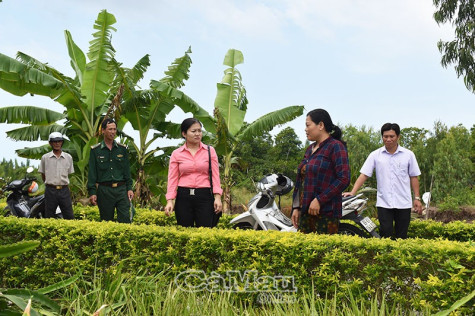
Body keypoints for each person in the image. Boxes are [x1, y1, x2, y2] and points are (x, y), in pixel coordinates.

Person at [343, 123, 423, 239]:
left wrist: (417, 198)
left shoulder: (408, 155)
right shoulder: (375, 155)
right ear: (382, 137)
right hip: (384, 203)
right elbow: (364, 174)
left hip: (403, 203)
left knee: (402, 236)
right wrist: (353, 192)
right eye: (385, 136)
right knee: (386, 235)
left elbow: (414, 177)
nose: (388, 139)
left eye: (392, 136)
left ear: (398, 137)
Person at [291, 109, 351, 234]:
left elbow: (343, 179)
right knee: (304, 251)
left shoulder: (335, 146)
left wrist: (319, 200)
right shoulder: (309, 149)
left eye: (308, 125)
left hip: (326, 213)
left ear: (321, 125)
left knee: (323, 252)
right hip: (306, 212)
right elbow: (300, 180)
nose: (305, 129)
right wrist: (296, 207)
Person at [164, 118, 223, 227]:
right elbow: (172, 179)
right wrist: (170, 201)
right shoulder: (176, 154)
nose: (197, 134)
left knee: (205, 231)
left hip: (204, 195)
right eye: (193, 131)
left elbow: (215, 176)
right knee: (184, 230)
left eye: (199, 131)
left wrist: (218, 198)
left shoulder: (210, 151)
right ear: (184, 134)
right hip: (183, 196)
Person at [87, 118, 134, 223]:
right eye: (110, 129)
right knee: (107, 222)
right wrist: (92, 192)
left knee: (125, 220)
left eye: (114, 129)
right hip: (104, 191)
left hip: (121, 190)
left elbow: (127, 171)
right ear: (103, 130)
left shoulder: (122, 149)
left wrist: (129, 188)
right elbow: (92, 173)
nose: (113, 132)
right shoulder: (96, 150)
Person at [38, 132, 75, 219]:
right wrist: (51, 184)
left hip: (64, 190)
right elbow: (43, 175)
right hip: (50, 191)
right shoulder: (45, 158)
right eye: (54, 141)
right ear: (50, 143)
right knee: (49, 216)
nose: (57, 143)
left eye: (59, 141)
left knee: (69, 216)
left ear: (62, 142)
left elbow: (69, 173)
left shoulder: (68, 157)